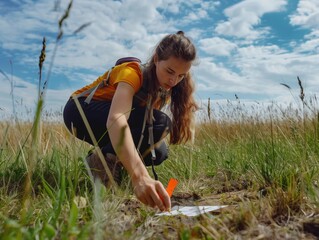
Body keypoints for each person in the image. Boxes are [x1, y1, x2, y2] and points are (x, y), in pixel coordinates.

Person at [63, 31, 198, 211]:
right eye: (170, 71)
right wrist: (140, 176)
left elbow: (141, 133)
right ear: (157, 59)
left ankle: (101, 160)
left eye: (181, 75)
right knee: (160, 122)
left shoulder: (162, 91)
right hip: (79, 111)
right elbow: (117, 118)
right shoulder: (132, 73)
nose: (174, 80)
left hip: (107, 121)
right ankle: (102, 167)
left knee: (158, 151)